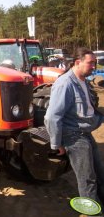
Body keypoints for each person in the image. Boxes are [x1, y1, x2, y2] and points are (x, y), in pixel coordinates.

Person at [44, 47, 104, 214]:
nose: (94, 66)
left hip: (85, 134)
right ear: (78, 62)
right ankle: (92, 212)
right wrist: (57, 144)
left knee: (99, 173)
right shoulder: (65, 84)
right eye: (91, 63)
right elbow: (52, 117)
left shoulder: (83, 80)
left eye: (95, 62)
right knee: (87, 180)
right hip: (74, 136)